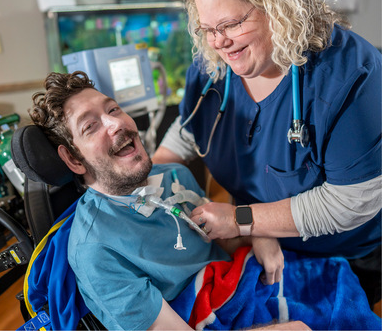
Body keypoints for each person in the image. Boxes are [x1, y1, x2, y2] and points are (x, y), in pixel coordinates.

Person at [152, 0, 382, 307]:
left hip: (344, 254)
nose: (219, 43)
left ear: (277, 6)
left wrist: (244, 220)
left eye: (229, 24)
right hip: (256, 241)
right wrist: (154, 171)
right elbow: (194, 125)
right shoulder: (212, 67)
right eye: (207, 30)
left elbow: (351, 202)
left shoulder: (349, 74)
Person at [28, 71, 316, 330]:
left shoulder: (175, 175)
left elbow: (219, 237)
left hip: (246, 285)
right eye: (90, 127)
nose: (116, 123)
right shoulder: (96, 251)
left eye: (113, 109)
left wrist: (257, 233)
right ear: (73, 160)